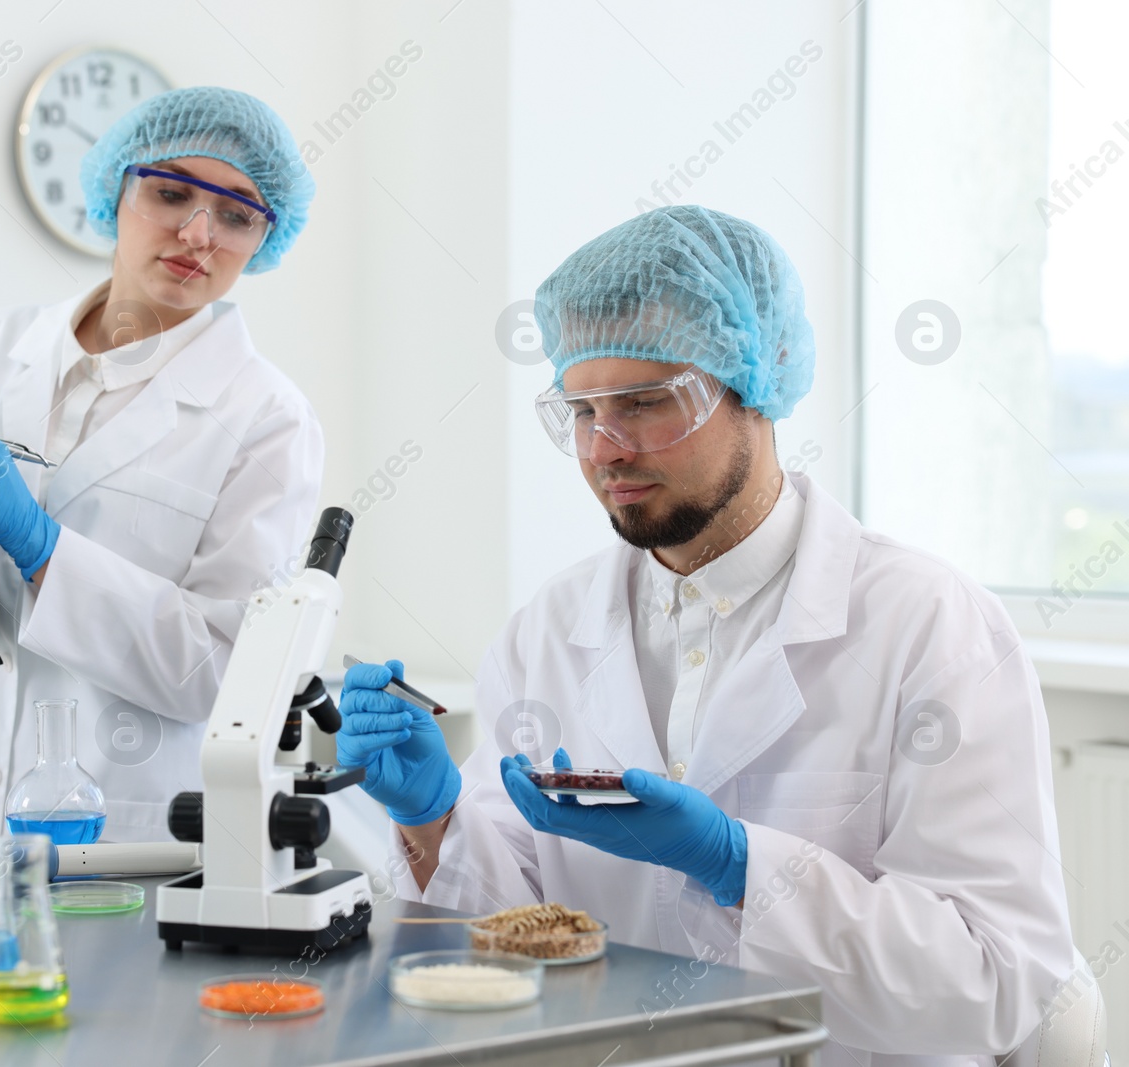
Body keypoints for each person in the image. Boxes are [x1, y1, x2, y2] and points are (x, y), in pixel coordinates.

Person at [337, 206, 1074, 1060]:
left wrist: (738, 865)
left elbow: (996, 983)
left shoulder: (930, 625)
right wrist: (433, 818)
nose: (606, 448)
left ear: (755, 385)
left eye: (646, 403)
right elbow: (507, 932)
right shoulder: (547, 630)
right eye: (581, 410)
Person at [0, 86, 323, 856]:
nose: (197, 232)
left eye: (237, 214)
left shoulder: (267, 417)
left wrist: (46, 550)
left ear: (264, 238)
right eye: (171, 192)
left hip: (117, 837)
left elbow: (226, 670)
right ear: (116, 190)